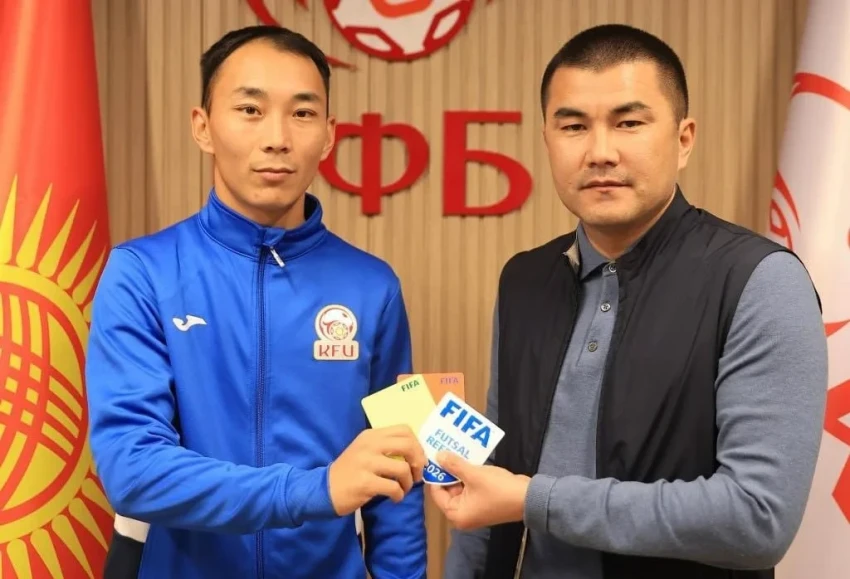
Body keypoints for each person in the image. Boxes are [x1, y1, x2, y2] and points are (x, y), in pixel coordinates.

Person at [435, 23, 828, 579]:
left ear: (684, 139)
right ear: (547, 139)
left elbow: (756, 519)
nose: (600, 152)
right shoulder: (524, 279)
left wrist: (533, 499)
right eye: (573, 126)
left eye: (629, 123)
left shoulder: (759, 280)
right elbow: (494, 467)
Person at [85, 25, 428, 579]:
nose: (277, 138)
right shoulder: (142, 273)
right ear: (203, 127)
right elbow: (133, 469)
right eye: (250, 110)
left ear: (329, 135)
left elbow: (400, 467)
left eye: (302, 113)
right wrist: (315, 490)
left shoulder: (373, 286)